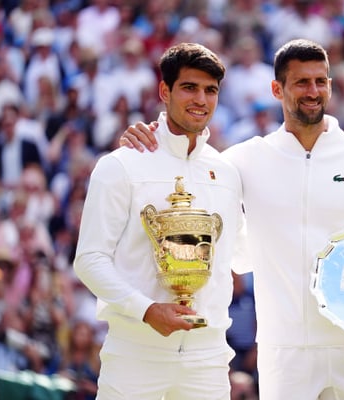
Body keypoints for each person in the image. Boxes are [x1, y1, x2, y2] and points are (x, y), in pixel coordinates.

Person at [121, 38, 344, 400]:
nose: (313, 91)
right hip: (282, 353)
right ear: (277, 89)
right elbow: (186, 162)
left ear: (330, 86)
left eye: (320, 81)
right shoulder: (243, 160)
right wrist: (148, 138)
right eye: (301, 82)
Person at [73, 43, 246, 400]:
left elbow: (242, 256)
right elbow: (89, 260)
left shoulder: (227, 172)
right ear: (164, 91)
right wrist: (147, 311)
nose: (201, 99)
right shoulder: (120, 165)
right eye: (189, 87)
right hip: (135, 352)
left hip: (208, 356)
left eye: (210, 90)